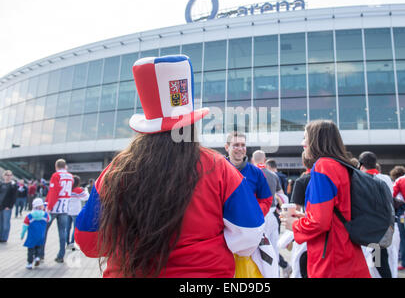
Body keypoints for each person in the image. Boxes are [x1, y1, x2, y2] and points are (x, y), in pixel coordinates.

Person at [75, 54, 265, 278]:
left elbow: (89, 241)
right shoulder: (218, 166)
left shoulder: (116, 169)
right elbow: (249, 236)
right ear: (191, 123)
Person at [281, 120, 371, 278]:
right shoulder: (343, 166)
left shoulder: (323, 166)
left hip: (331, 258)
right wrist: (306, 218)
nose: (303, 143)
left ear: (316, 140)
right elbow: (333, 214)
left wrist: (295, 225)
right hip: (348, 252)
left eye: (305, 137)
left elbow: (320, 223)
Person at [224, 131, 275, 277]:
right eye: (236, 145)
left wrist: (252, 216)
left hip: (249, 236)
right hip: (223, 234)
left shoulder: (256, 173)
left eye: (243, 145)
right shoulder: (218, 169)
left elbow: (266, 199)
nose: (240, 148)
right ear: (227, 147)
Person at [358, 151, 400, 278]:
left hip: (374, 231)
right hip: (391, 227)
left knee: (376, 263)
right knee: (390, 261)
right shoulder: (386, 178)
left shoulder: (361, 180)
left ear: (361, 165)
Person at [251, 150, 285, 276]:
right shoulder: (273, 175)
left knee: (256, 251)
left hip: (256, 217)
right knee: (273, 249)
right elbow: (282, 197)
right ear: (264, 160)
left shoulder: (250, 175)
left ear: (253, 161)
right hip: (271, 216)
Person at [41, 159, 74, 263]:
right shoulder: (70, 177)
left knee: (44, 230)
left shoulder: (56, 175)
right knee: (62, 232)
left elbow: (53, 192)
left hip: (54, 208)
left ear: (56, 166)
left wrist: (48, 206)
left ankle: (40, 254)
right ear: (65, 166)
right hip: (64, 208)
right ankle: (61, 255)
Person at [20, 198, 50, 269]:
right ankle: (37, 257)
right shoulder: (45, 215)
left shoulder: (29, 216)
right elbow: (49, 219)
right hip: (41, 236)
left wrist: (22, 234)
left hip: (31, 236)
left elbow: (25, 226)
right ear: (42, 206)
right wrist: (46, 210)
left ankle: (29, 263)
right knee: (38, 247)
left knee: (30, 250)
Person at [66, 175, 89, 250]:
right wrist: (85, 190)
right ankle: (72, 244)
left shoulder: (67, 189)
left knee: (67, 228)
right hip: (75, 212)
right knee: (75, 229)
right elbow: (86, 197)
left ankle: (67, 243)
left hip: (67, 211)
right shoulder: (78, 190)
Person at [0, 170, 17, 243]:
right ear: (4, 176)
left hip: (7, 207)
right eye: (7, 175)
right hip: (1, 206)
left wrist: (10, 206)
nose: (8, 176)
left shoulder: (13, 185)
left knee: (6, 223)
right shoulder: (1, 184)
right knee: (0, 223)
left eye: (10, 175)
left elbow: (14, 197)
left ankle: (4, 237)